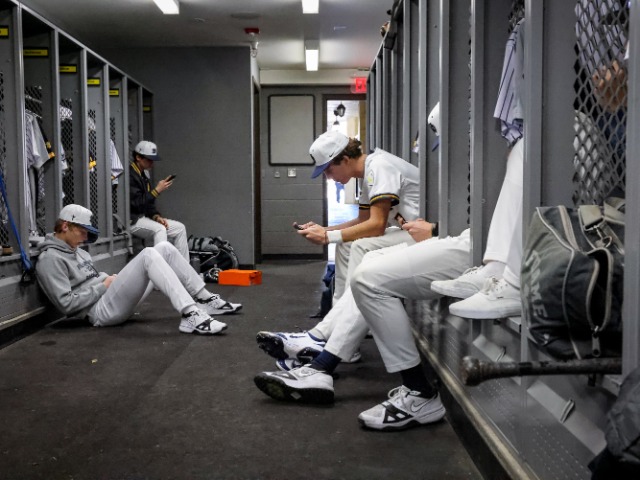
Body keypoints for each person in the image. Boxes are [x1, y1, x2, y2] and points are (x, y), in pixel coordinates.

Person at [36, 204, 241, 334]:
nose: (85, 238)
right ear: (65, 226)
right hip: (99, 313)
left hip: (109, 297)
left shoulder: (76, 249)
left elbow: (92, 279)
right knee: (148, 254)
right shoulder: (50, 259)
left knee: (164, 247)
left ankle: (205, 298)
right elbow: (66, 305)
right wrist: (104, 286)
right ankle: (190, 314)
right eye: (82, 232)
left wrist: (109, 280)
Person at [295, 130, 425, 302]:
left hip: (425, 234)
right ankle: (339, 310)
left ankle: (351, 309)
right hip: (409, 232)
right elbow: (363, 221)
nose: (329, 178)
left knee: (358, 246)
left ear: (345, 160)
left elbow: (377, 226)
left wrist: (327, 237)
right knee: (345, 245)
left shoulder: (380, 166)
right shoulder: (368, 172)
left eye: (329, 170)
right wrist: (324, 230)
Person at [129, 140, 190, 261]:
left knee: (180, 228)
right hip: (132, 220)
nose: (152, 163)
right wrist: (157, 190)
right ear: (138, 157)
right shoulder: (130, 175)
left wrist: (156, 217)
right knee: (160, 229)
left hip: (144, 218)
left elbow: (148, 205)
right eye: (149, 159)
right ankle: (158, 269)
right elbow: (136, 204)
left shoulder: (143, 174)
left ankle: (184, 270)